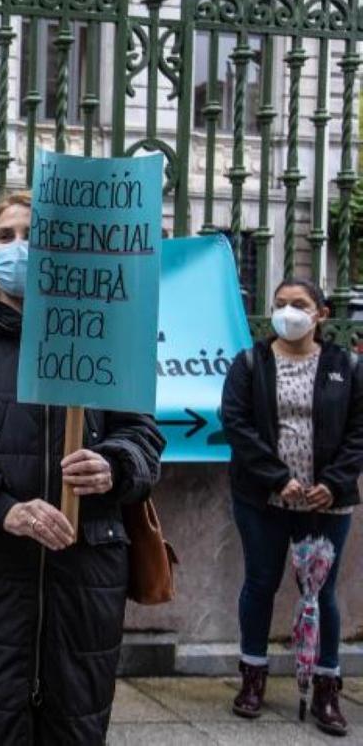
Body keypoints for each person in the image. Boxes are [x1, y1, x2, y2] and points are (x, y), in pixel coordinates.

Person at [0, 192, 165, 746]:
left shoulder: (103, 335)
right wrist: (4, 509)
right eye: (5, 236)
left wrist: (112, 466)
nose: (18, 247)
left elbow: (144, 438)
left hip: (85, 580)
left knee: (73, 727)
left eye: (33, 234)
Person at [222, 278, 361, 737]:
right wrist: (279, 478)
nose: (287, 313)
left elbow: (359, 432)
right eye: (279, 304)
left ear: (321, 314)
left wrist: (333, 484)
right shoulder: (250, 363)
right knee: (260, 583)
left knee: (321, 592)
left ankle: (326, 686)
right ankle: (252, 677)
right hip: (262, 498)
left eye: (298, 305)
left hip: (325, 503)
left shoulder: (347, 367)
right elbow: (237, 425)